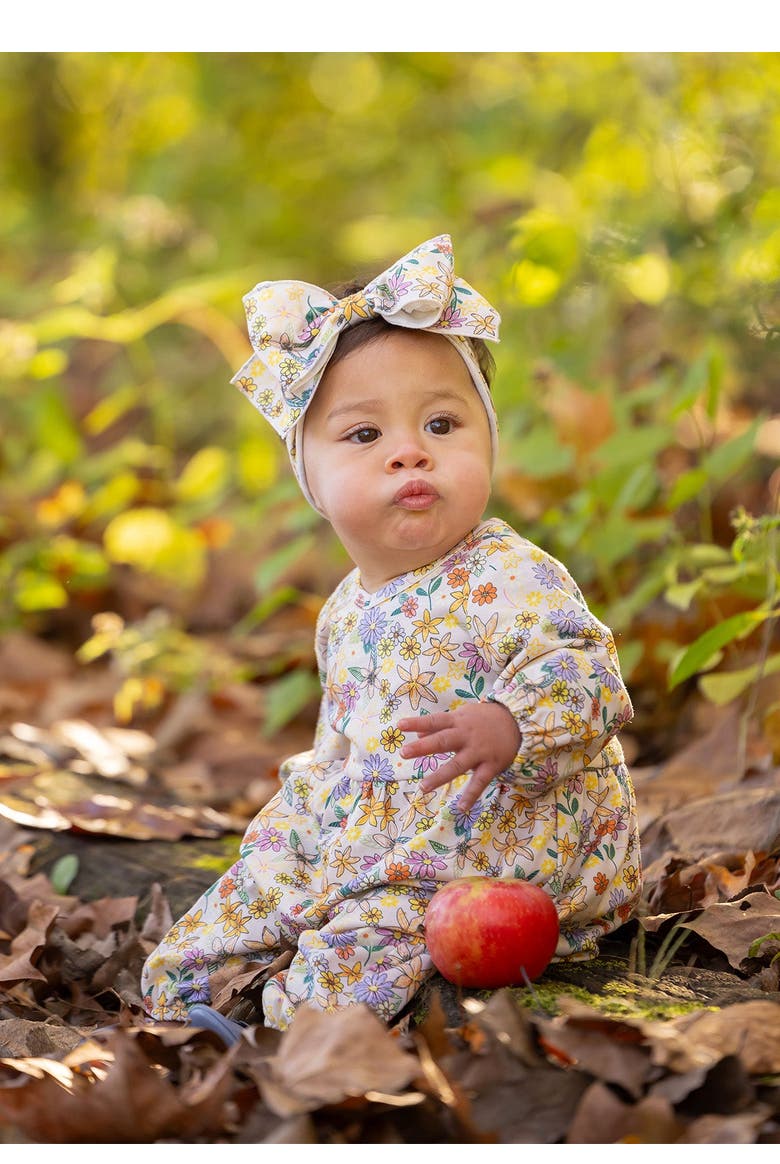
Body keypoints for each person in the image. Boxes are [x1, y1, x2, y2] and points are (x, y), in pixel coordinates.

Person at [140, 234, 641, 1035]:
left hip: (500, 845)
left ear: (486, 437)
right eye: (365, 436)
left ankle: (284, 1035)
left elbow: (592, 678)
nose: (410, 451)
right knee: (246, 889)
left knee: (368, 941)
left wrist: (512, 722)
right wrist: (297, 826)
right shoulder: (345, 609)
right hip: (387, 832)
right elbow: (344, 743)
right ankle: (187, 995)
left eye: (442, 423)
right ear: (309, 471)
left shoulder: (511, 572)